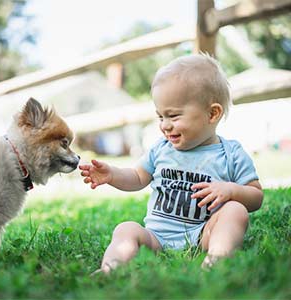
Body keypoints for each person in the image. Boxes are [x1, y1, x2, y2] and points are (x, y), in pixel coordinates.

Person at [79, 54, 264, 273]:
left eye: (174, 116)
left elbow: (256, 196)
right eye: (160, 117)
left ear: (212, 113)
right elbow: (138, 177)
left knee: (235, 210)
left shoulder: (231, 153)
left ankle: (217, 259)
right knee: (126, 228)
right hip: (155, 238)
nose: (165, 125)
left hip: (203, 235)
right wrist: (113, 175)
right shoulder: (161, 149)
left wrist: (231, 190)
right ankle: (111, 269)